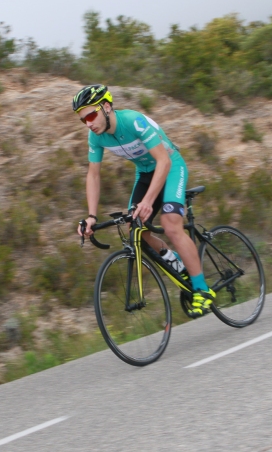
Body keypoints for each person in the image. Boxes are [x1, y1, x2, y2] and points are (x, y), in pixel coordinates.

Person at [72, 84, 215, 317]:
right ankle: (178, 263)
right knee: (135, 229)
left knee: (171, 225)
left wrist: (147, 201)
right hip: (145, 173)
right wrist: (91, 216)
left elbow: (164, 162)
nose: (88, 123)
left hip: (171, 167)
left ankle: (202, 289)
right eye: (82, 120)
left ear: (106, 107)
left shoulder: (133, 121)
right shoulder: (96, 137)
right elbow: (93, 175)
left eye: (90, 116)